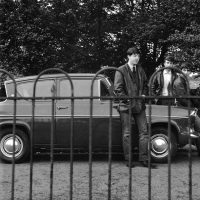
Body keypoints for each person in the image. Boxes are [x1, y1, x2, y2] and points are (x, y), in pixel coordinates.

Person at [114, 46, 156, 168]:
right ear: (128, 57)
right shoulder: (120, 70)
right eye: (134, 55)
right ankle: (129, 159)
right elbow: (118, 89)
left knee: (144, 132)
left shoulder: (141, 69)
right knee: (127, 133)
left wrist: (143, 94)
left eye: (138, 55)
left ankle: (144, 159)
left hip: (139, 105)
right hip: (126, 106)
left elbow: (145, 86)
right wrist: (128, 99)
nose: (136, 58)